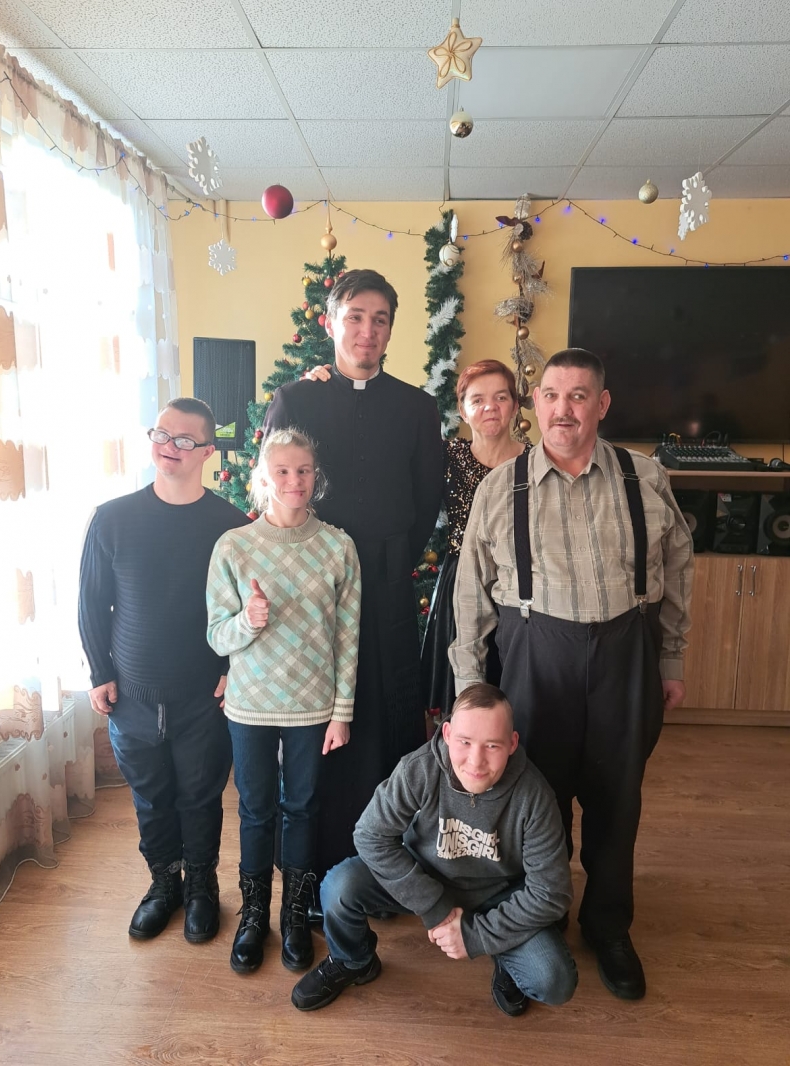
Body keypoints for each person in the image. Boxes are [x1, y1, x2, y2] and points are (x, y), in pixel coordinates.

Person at [450, 348, 694, 1001]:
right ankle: (536, 927)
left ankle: (609, 926)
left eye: (579, 396)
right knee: (536, 803)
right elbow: (472, 593)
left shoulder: (645, 478)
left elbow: (677, 569)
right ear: (536, 404)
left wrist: (670, 657)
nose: (564, 409)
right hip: (535, 658)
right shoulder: (501, 489)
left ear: (601, 404)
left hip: (626, 654)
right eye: (553, 395)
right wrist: (470, 687)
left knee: (617, 801)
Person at [263, 269, 444, 881]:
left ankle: (388, 867)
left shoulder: (417, 407)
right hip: (313, 589)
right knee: (320, 723)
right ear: (330, 323)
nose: (368, 331)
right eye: (356, 317)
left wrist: (390, 559)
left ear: (391, 329)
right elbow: (277, 489)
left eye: (380, 319)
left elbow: (426, 497)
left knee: (387, 718)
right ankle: (313, 867)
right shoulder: (297, 400)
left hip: (388, 586)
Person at [290, 683, 576, 1016]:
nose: (476, 761)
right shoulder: (419, 768)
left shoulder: (535, 796)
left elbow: (552, 892)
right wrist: (434, 906)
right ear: (448, 734)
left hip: (498, 895)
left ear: (512, 744)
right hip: (425, 876)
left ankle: (504, 953)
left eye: (492, 745)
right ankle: (353, 960)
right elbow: (370, 835)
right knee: (339, 886)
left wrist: (476, 936)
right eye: (465, 742)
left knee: (554, 981)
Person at [78, 397, 248, 943]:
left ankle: (201, 886)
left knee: (199, 796)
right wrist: (99, 671)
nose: (169, 447)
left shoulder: (230, 526)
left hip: (203, 695)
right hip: (131, 694)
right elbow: (92, 602)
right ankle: (163, 884)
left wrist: (230, 667)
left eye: (184, 440)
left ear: (207, 452)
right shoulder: (112, 518)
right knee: (150, 799)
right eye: (161, 435)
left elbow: (243, 608)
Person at [206, 429, 362, 976]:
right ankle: (254, 915)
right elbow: (216, 637)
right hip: (250, 704)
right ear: (263, 478)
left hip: (312, 706)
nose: (295, 481)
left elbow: (347, 637)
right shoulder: (233, 546)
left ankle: (294, 913)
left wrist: (342, 711)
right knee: (254, 810)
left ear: (316, 477)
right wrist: (247, 622)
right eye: (283, 471)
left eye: (304, 470)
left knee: (302, 808)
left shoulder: (338, 547)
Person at [421, 359, 525, 716]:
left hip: (519, 584)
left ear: (514, 405)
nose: (489, 407)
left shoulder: (534, 462)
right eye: (477, 400)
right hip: (461, 582)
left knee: (514, 686)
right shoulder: (445, 456)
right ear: (463, 411)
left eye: (500, 397)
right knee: (462, 695)